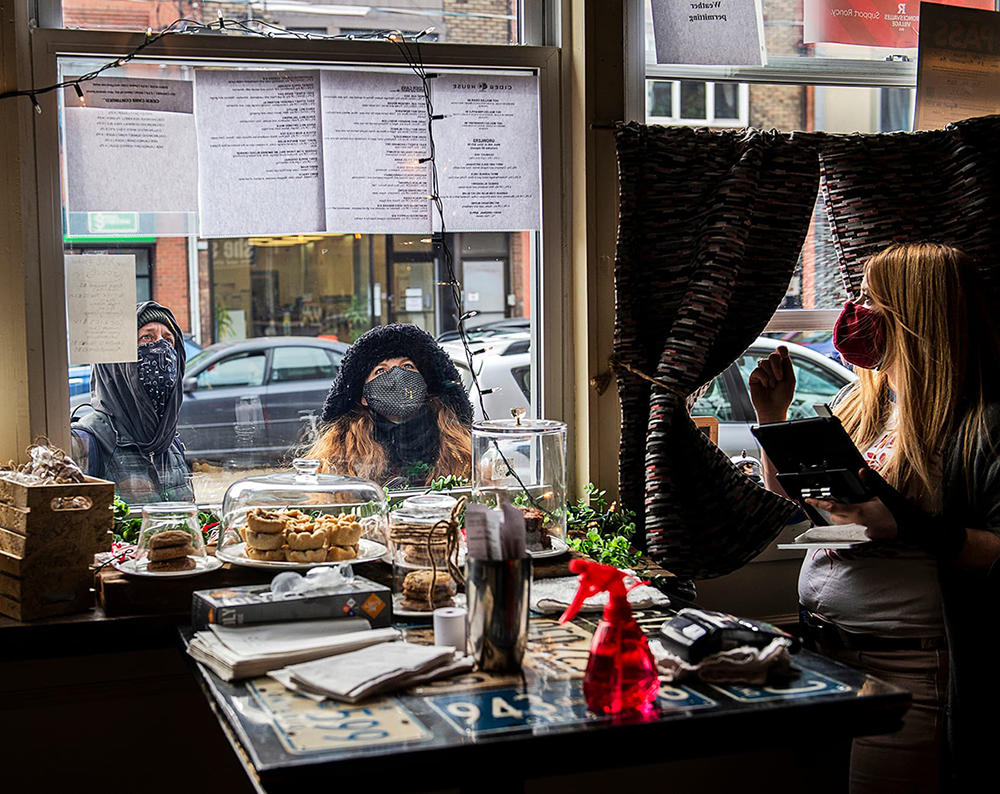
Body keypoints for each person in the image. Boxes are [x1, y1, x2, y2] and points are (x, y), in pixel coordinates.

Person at [749, 242, 1000, 793]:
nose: (854, 311)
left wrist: (902, 522)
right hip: (823, 654)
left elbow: (995, 550)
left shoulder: (980, 423)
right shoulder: (864, 400)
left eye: (868, 299)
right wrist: (774, 418)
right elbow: (804, 501)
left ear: (915, 314)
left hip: (906, 666)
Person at [308, 323, 473, 487]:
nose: (397, 376)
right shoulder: (343, 452)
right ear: (364, 396)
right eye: (380, 371)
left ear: (425, 386)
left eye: (407, 366)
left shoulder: (456, 445)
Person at [71, 301, 194, 505]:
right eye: (146, 337)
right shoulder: (85, 442)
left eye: (168, 340)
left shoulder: (170, 443)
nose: (161, 348)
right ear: (115, 364)